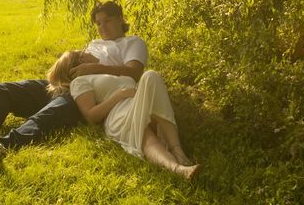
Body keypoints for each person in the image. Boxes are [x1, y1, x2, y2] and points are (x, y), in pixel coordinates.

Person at [0, 1, 148, 163]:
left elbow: (133, 73)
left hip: (86, 97)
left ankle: (2, 146)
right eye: (98, 23)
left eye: (107, 20)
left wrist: (93, 67)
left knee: (48, 115)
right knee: (2, 90)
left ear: (120, 19)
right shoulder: (95, 43)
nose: (102, 27)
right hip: (67, 86)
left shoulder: (132, 43)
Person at [47, 51, 200, 180]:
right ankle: (177, 168)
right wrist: (120, 95)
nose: (88, 51)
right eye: (83, 52)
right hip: (118, 113)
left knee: (151, 76)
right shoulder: (79, 82)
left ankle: (178, 151)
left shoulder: (104, 72)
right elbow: (91, 116)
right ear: (80, 61)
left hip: (136, 102)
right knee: (144, 131)